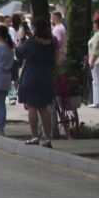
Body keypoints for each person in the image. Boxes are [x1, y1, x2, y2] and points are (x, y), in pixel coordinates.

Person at [16, 17, 57, 148]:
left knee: (32, 107)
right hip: (45, 77)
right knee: (43, 108)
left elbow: (19, 53)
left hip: (32, 76)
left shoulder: (32, 42)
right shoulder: (50, 42)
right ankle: (48, 138)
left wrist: (21, 39)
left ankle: (34, 136)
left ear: (35, 28)